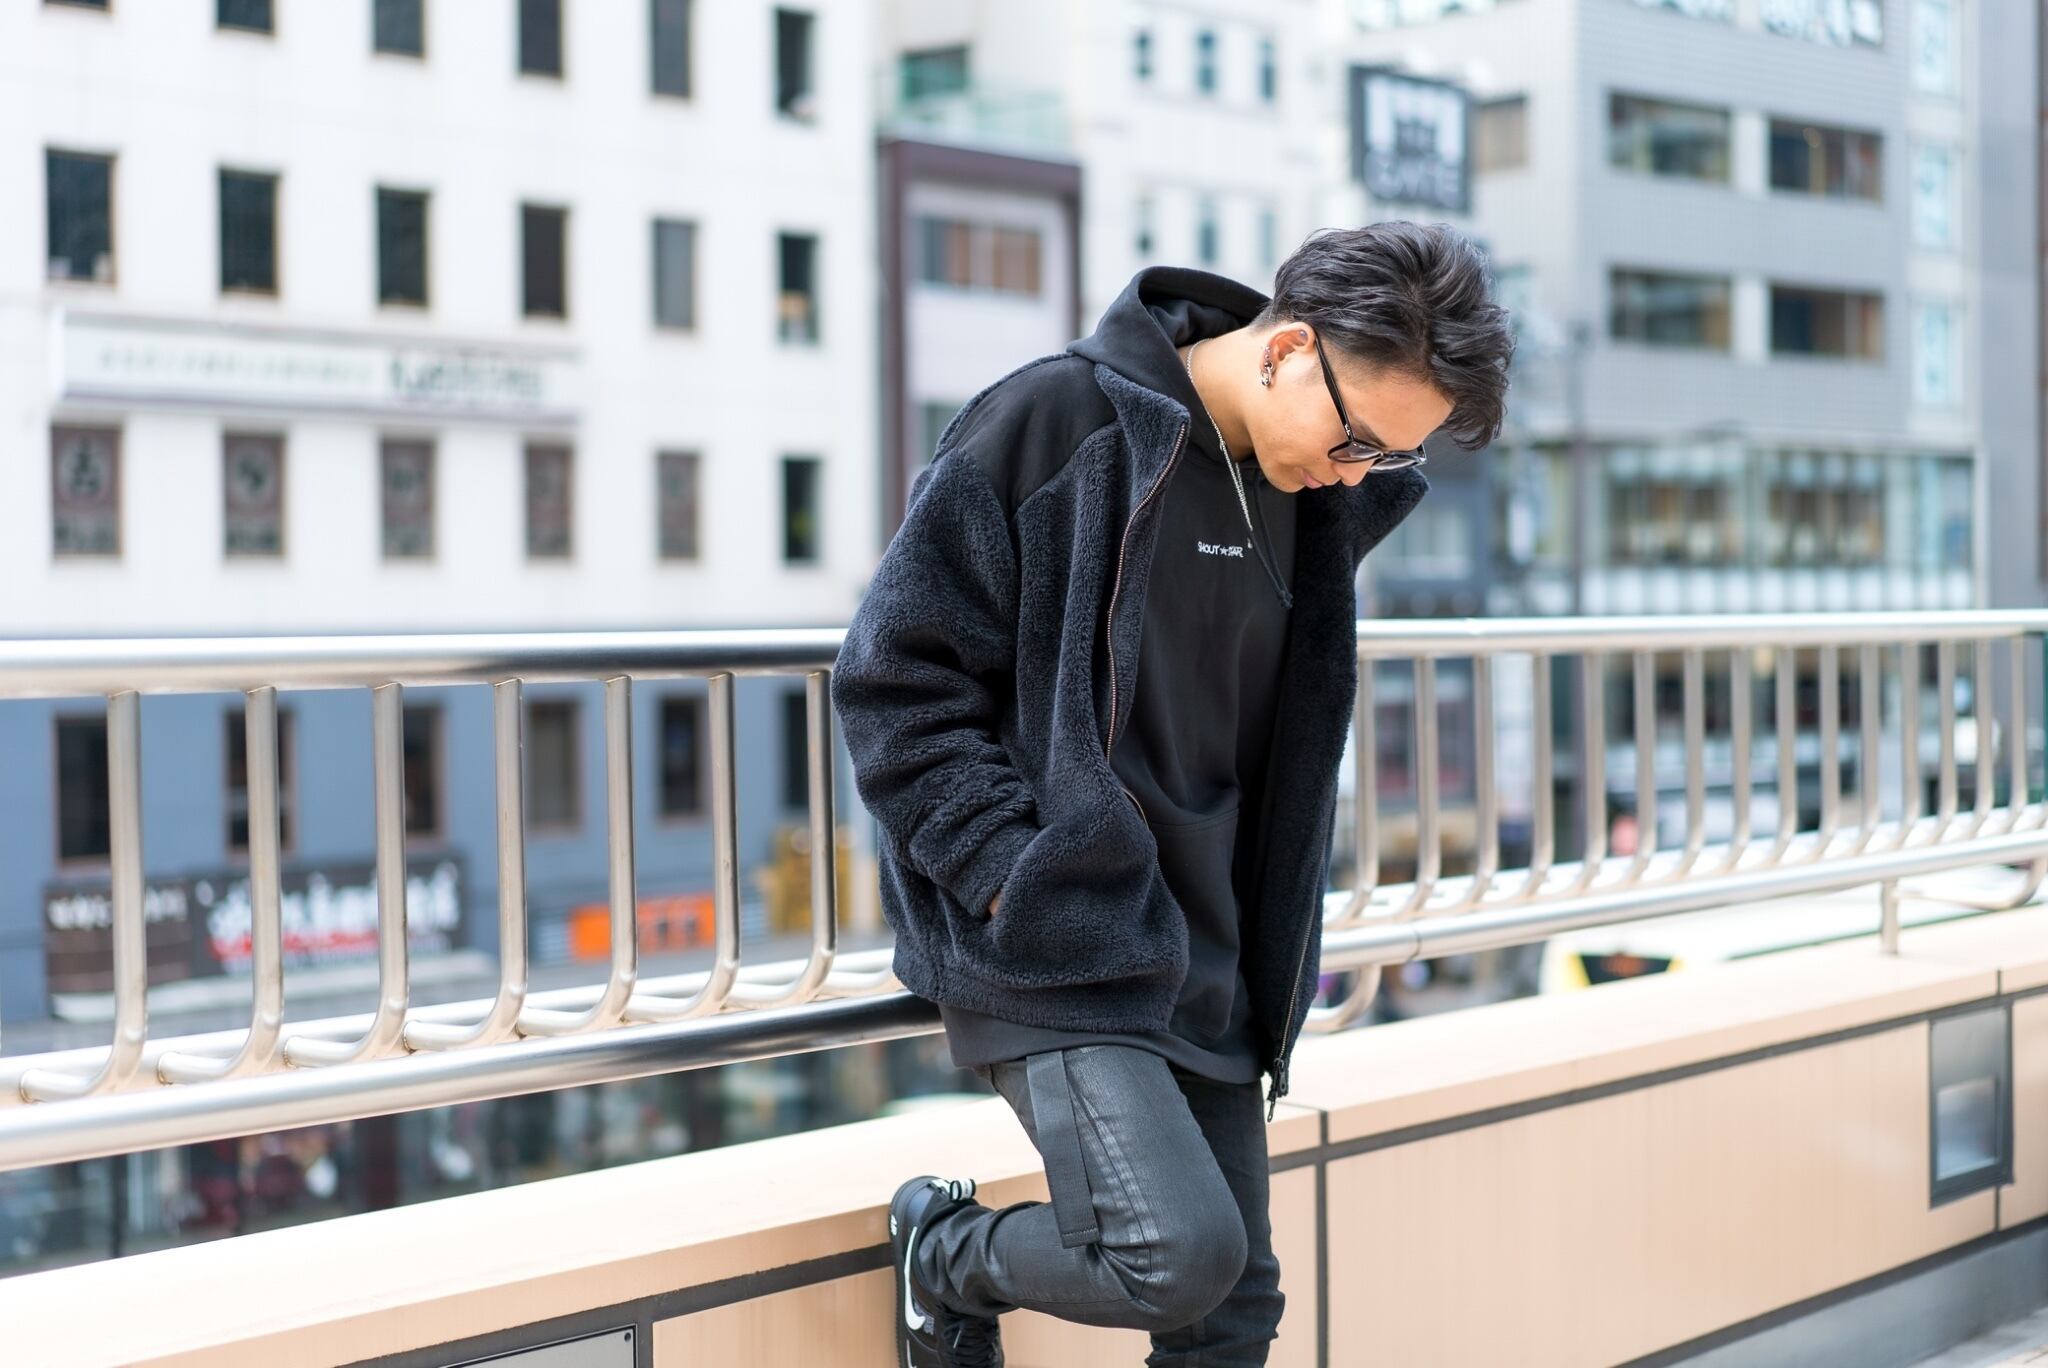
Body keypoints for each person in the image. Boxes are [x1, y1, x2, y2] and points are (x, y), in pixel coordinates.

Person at [831, 220, 1515, 1366]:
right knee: (1173, 1255)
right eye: (1354, 438)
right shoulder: (1057, 423)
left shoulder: (1304, 498)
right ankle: (945, 1257)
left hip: (1209, 953)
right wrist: (1010, 877)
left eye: (1388, 459)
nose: (1356, 473)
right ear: (1286, 348)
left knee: (1232, 1318)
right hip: (1060, 942)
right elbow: (893, 677)